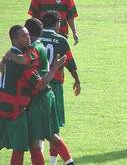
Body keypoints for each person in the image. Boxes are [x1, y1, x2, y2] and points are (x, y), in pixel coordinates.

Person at [0, 25, 65, 165]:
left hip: (3, 106)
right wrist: (55, 67)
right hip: (14, 111)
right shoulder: (22, 62)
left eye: (28, 34)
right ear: (14, 40)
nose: (27, 37)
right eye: (23, 36)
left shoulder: (8, 56)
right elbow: (40, 84)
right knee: (21, 147)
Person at [39, 11, 80, 164]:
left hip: (34, 85)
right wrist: (77, 80)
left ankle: (51, 162)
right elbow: (70, 63)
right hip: (54, 86)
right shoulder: (61, 40)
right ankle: (62, 162)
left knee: (38, 129)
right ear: (57, 24)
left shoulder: (34, 38)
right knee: (53, 128)